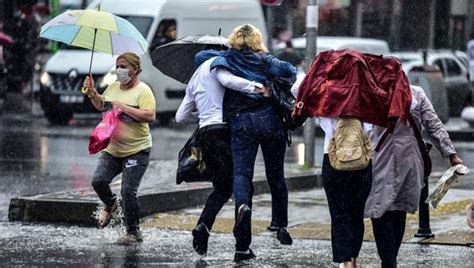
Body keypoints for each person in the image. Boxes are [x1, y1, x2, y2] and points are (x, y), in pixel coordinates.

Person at [209, 24, 296, 262]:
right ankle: (280, 223)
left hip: (241, 122)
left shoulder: (226, 58)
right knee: (275, 174)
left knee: (242, 174)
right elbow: (290, 71)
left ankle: (243, 209)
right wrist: (266, 65)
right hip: (270, 120)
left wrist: (222, 51)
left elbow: (203, 59)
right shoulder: (264, 59)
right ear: (257, 40)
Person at [175, 47, 266, 256]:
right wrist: (256, 87)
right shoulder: (217, 64)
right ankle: (242, 245)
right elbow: (228, 81)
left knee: (223, 188)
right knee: (242, 183)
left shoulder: (194, 78)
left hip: (206, 134)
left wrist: (203, 116)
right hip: (224, 131)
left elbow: (180, 117)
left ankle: (203, 226)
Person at [365, 85, 464, 268]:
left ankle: (388, 261)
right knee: (398, 212)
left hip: (379, 158)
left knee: (380, 211)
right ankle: (390, 260)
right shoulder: (415, 92)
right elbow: (433, 124)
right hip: (408, 160)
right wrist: (450, 154)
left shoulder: (373, 92)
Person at [291, 77, 372, 268]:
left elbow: (297, 89)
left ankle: (345, 261)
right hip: (361, 163)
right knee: (356, 213)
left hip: (333, 161)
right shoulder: (366, 94)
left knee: (339, 213)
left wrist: (321, 75)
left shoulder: (326, 96)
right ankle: (353, 258)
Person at [82, 52, 156, 245]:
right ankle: (112, 206)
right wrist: (92, 93)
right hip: (112, 149)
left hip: (137, 150)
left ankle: (133, 231)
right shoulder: (113, 87)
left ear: (135, 69)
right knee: (98, 181)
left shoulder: (143, 91)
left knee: (128, 190)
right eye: (117, 66)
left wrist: (125, 108)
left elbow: (149, 116)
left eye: (123, 66)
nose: (119, 70)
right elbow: (101, 105)